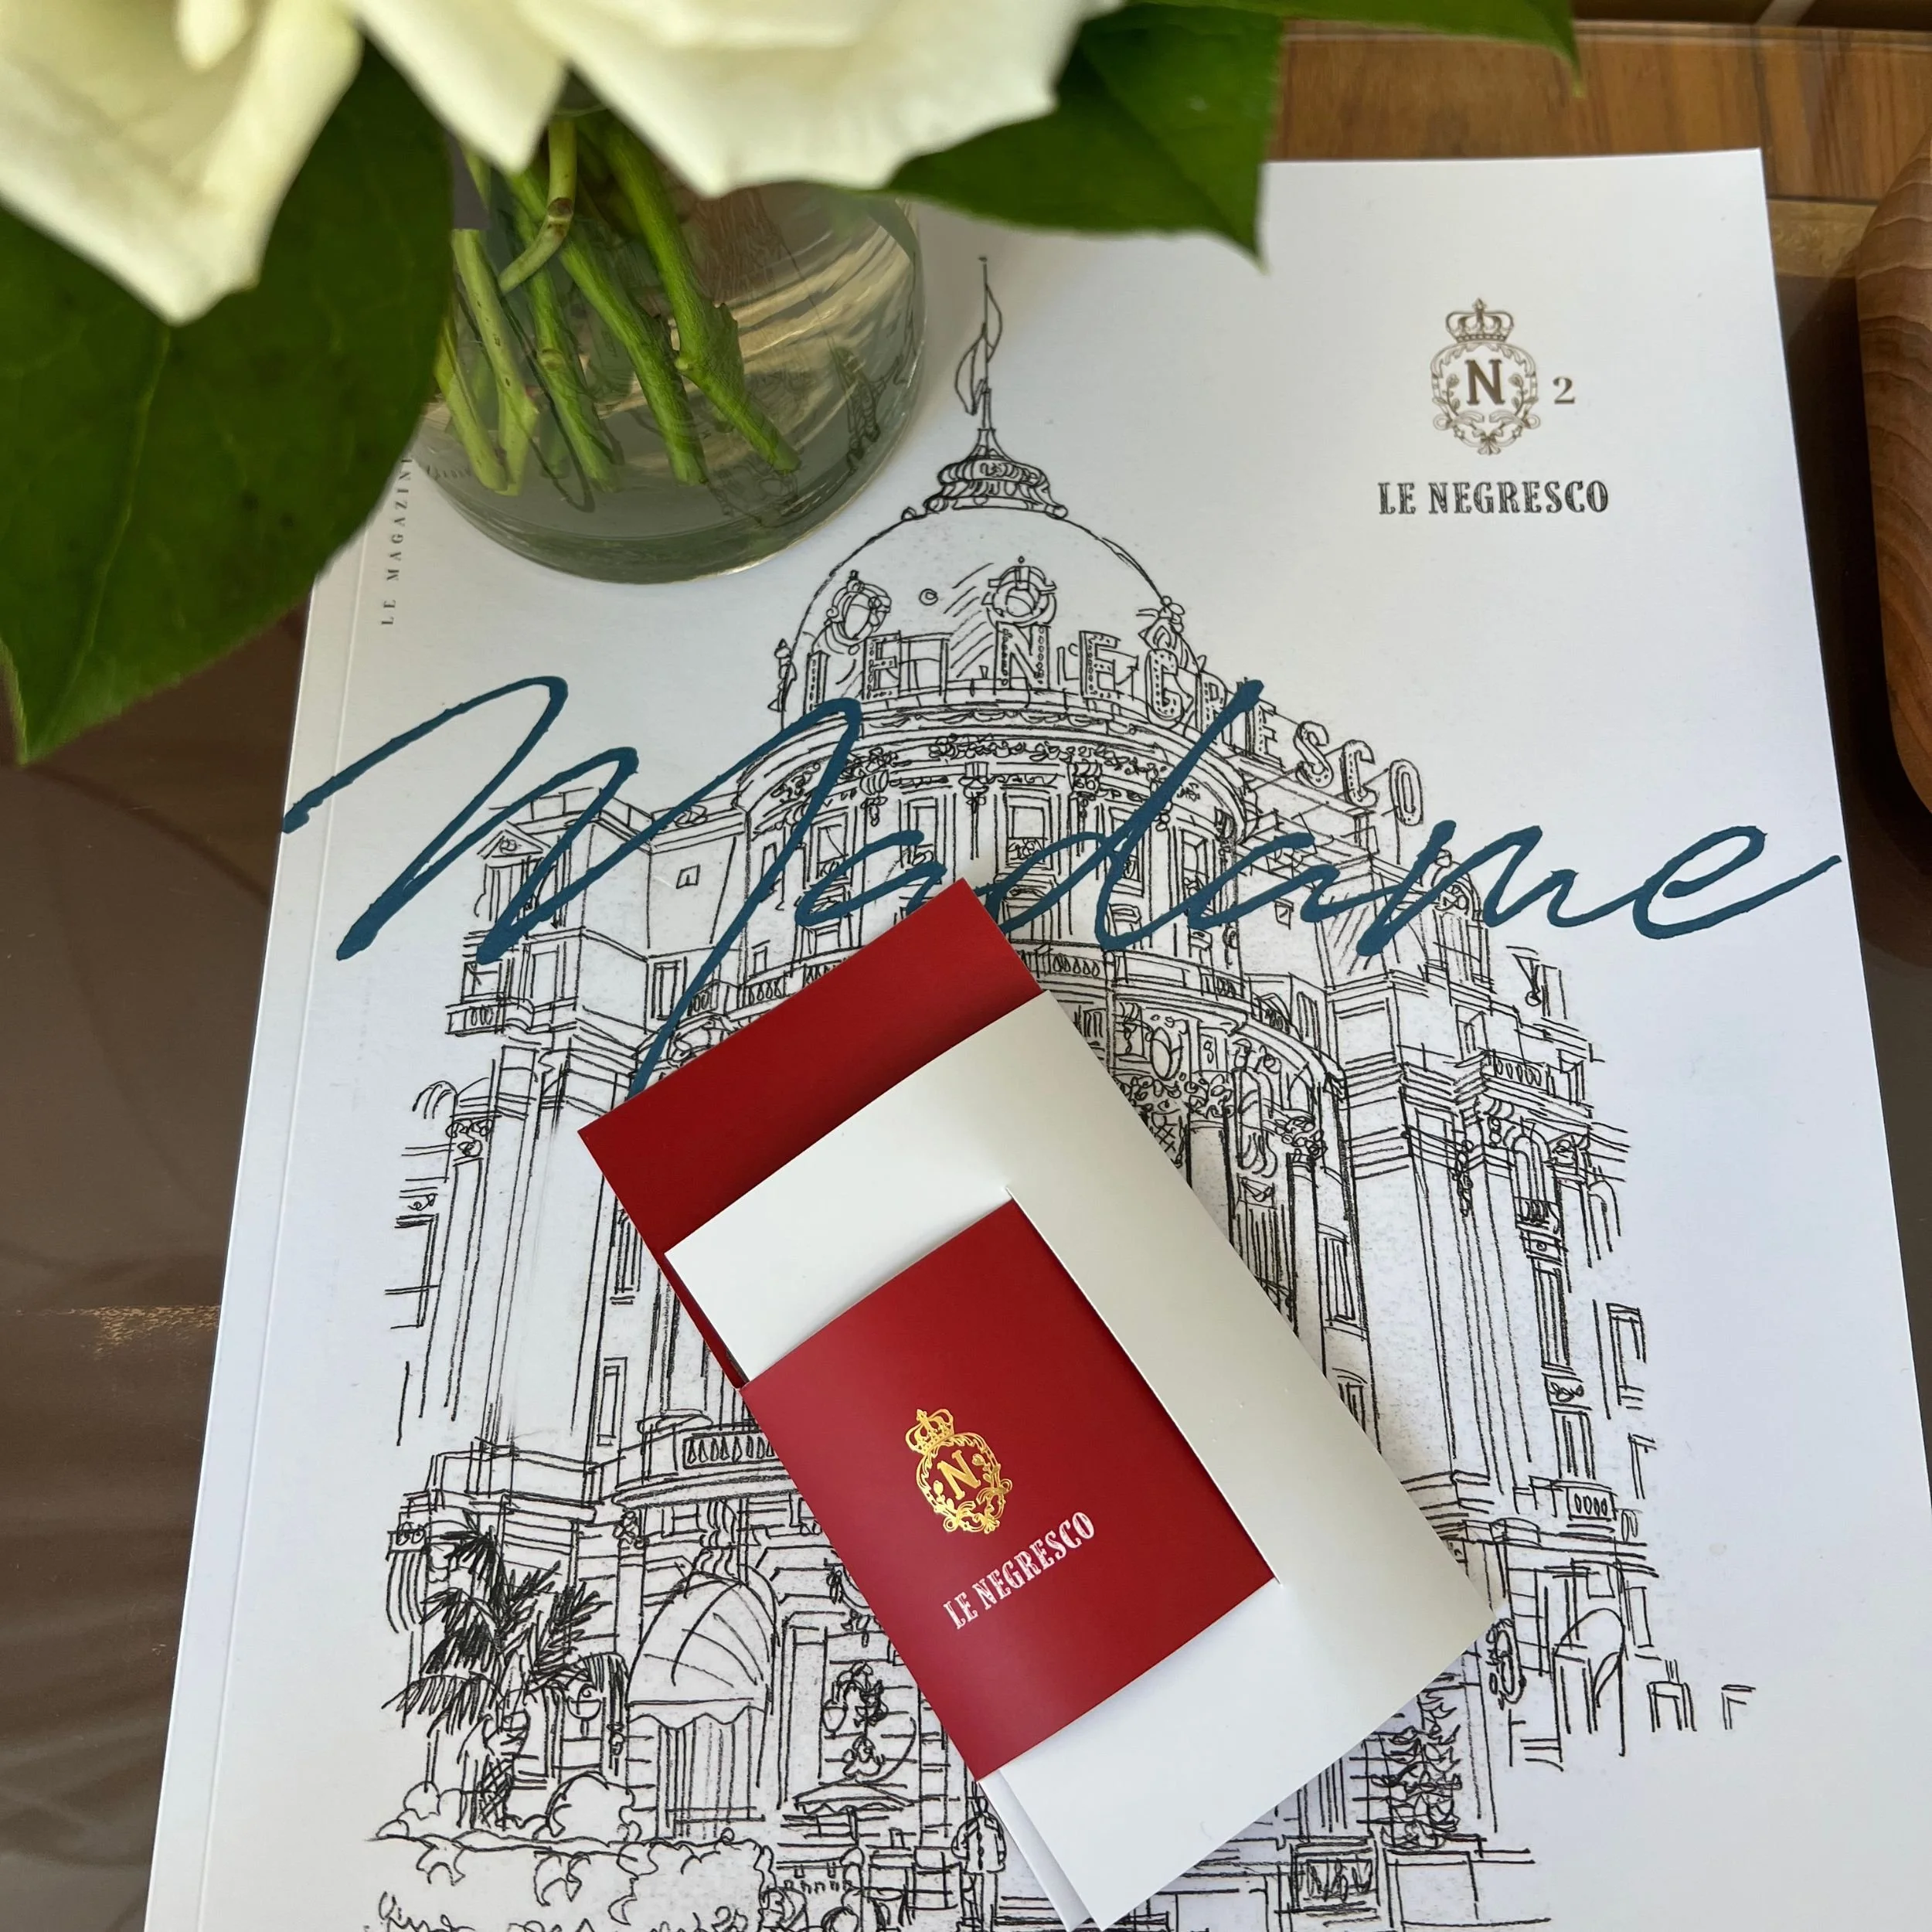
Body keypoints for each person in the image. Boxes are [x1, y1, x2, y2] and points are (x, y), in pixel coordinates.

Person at [951, 1789, 1006, 1932]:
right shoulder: (969, 1826)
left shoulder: (993, 1824)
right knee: (975, 1896)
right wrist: (969, 1856)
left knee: (989, 1897)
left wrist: (998, 1857)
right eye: (979, 1802)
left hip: (991, 1866)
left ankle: (988, 1924)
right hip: (975, 1867)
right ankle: (979, 1922)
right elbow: (957, 1846)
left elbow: (1001, 1844)